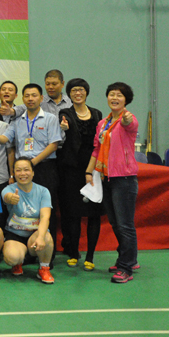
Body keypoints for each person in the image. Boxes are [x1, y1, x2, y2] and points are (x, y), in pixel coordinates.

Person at [84, 82, 139, 284]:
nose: (114, 98)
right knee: (116, 223)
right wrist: (89, 171)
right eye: (111, 94)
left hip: (124, 179)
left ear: (126, 100)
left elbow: (129, 124)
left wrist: (126, 120)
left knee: (125, 225)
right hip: (105, 177)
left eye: (119, 95)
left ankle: (125, 267)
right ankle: (130, 259)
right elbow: (97, 149)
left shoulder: (129, 119)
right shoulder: (103, 123)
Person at [3, 83, 63, 257]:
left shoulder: (50, 118)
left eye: (34, 95)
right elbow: (5, 139)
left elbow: (53, 145)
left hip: (44, 167)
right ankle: (25, 249)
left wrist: (33, 162)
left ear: (41, 98)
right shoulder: (17, 121)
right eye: (27, 96)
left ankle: (47, 254)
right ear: (22, 99)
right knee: (20, 206)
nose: (30, 99)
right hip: (23, 169)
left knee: (46, 209)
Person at [57, 78, 103, 270]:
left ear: (86, 92)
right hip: (72, 169)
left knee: (94, 213)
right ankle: (74, 253)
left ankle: (90, 256)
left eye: (81, 90)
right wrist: (64, 128)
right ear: (69, 94)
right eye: (74, 90)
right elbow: (64, 128)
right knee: (73, 213)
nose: (78, 93)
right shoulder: (65, 113)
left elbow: (100, 141)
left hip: (93, 168)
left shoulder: (97, 113)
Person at [1, 158, 55, 284]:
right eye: (18, 170)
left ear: (33, 172)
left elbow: (45, 217)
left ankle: (44, 269)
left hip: (35, 234)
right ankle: (17, 263)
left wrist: (40, 237)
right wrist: (11, 198)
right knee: (12, 257)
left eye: (26, 170)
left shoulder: (43, 191)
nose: (22, 173)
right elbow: (6, 197)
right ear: (14, 173)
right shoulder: (9, 189)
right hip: (15, 234)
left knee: (46, 237)